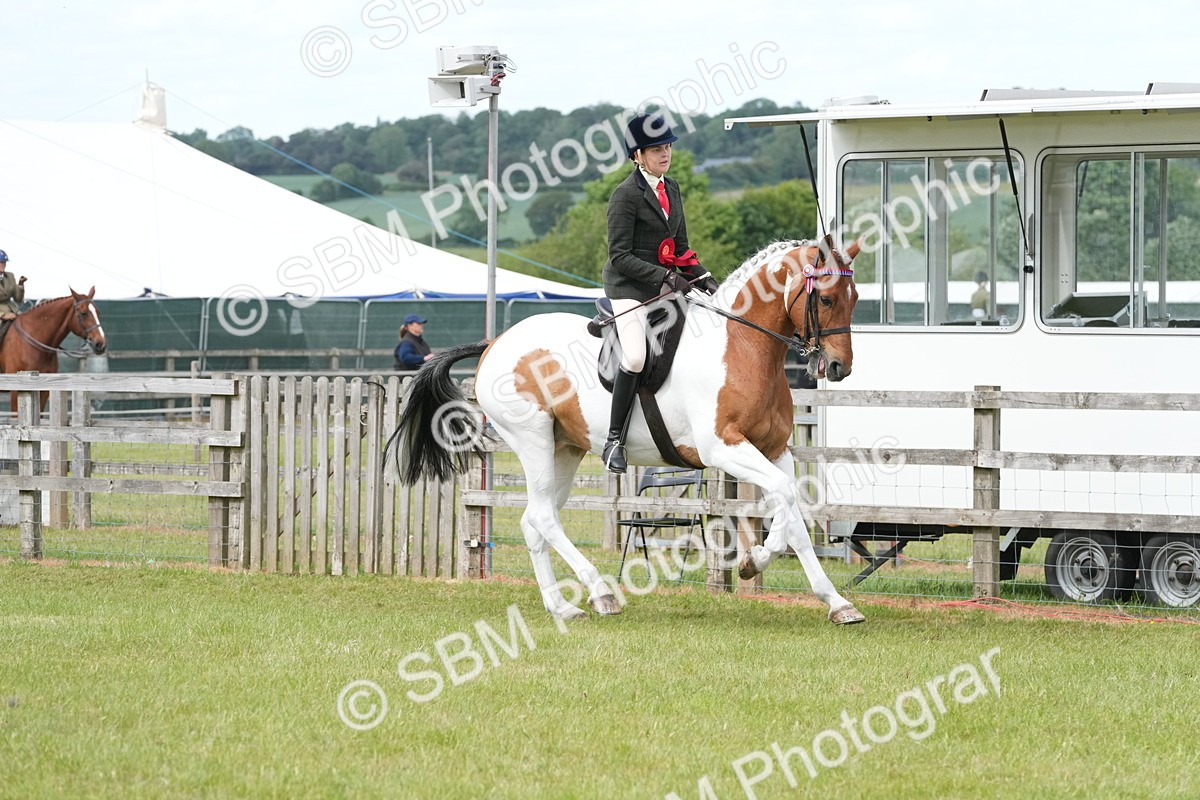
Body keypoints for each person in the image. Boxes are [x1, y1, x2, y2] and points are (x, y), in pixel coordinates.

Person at [600, 113, 717, 473]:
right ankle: (614, 439)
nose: (665, 153)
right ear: (637, 155)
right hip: (629, 286)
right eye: (656, 148)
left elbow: (679, 245)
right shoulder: (625, 196)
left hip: (663, 283)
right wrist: (667, 277)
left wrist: (704, 277)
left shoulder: (673, 188)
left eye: (667, 146)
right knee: (635, 356)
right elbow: (619, 257)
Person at [0, 249, 27, 319]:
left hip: (13, 310)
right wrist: (2, 315)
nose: (4, 265)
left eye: (4, 262)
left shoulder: (10, 276)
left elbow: (18, 299)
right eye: (1, 262)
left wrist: (20, 285)